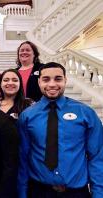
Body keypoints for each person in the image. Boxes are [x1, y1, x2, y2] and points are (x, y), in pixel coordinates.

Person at [17, 62, 103, 198]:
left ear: (65, 80)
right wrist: (22, 193)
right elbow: (23, 158)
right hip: (39, 191)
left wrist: (99, 194)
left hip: (76, 193)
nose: (52, 84)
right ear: (39, 82)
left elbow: (97, 156)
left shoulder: (85, 113)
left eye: (58, 79)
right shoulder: (27, 116)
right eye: (46, 79)